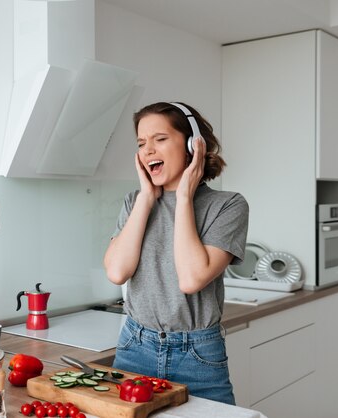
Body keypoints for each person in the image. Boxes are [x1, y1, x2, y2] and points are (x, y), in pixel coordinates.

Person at [104, 101, 248, 405]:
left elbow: (192, 278)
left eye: (160, 139)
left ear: (194, 145)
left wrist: (184, 195)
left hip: (198, 355)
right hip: (135, 348)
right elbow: (117, 272)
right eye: (142, 143)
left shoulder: (228, 205)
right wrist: (146, 197)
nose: (148, 150)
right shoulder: (135, 202)